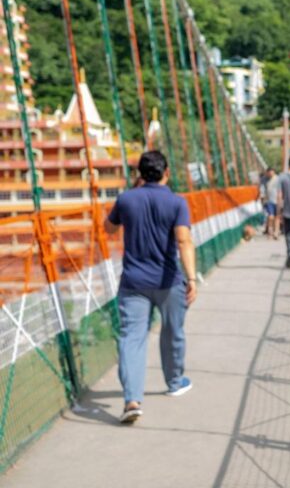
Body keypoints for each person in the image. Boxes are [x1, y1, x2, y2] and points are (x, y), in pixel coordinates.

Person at [105, 151, 197, 424]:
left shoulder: (126, 200)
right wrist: (191, 278)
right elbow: (183, 241)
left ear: (139, 175)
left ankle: (132, 399)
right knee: (173, 331)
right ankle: (175, 381)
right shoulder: (177, 203)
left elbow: (108, 229)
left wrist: (132, 196)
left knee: (132, 338)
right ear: (167, 172)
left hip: (133, 282)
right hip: (169, 282)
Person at [260, 167, 281, 239]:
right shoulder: (264, 179)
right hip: (269, 200)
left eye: (271, 172)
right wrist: (262, 199)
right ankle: (270, 231)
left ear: (274, 172)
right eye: (269, 173)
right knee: (271, 216)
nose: (270, 174)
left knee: (277, 217)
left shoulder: (278, 179)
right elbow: (262, 189)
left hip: (278, 200)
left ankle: (276, 232)